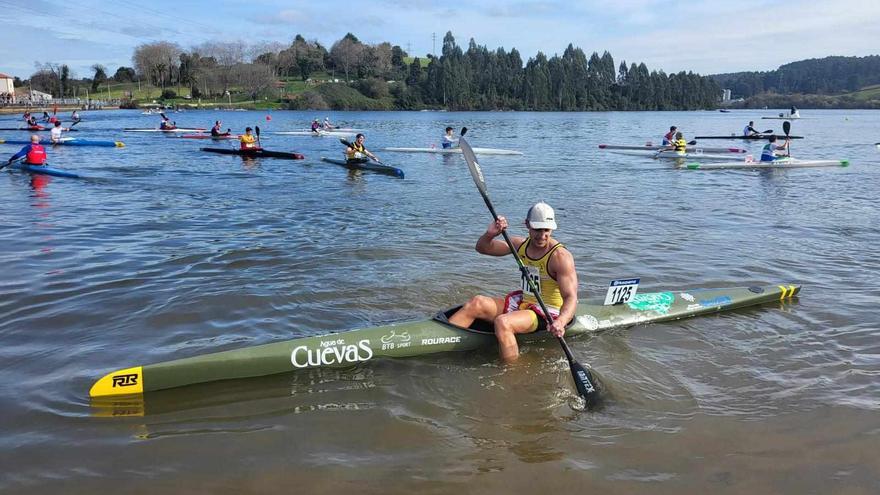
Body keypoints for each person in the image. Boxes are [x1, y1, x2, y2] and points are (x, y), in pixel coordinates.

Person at [447, 202, 578, 361]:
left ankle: (513, 375)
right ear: (527, 225)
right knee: (477, 303)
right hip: (525, 303)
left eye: (547, 230)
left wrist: (561, 321)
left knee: (503, 323)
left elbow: (571, 297)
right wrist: (490, 234)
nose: (542, 235)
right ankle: (439, 342)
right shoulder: (519, 244)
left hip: (549, 313)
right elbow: (482, 248)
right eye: (537, 229)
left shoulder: (560, 257)